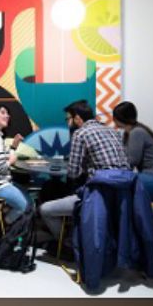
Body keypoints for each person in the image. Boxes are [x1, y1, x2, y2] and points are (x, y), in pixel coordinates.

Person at [39, 100, 130, 241]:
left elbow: (73, 173)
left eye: (67, 119)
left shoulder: (80, 133)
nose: (67, 123)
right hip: (123, 195)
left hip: (97, 196)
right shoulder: (113, 131)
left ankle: (65, 243)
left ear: (77, 118)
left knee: (45, 208)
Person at [112, 101, 153, 201]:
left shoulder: (136, 132)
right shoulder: (130, 133)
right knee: (119, 182)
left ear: (120, 118)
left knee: (118, 184)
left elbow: (131, 161)